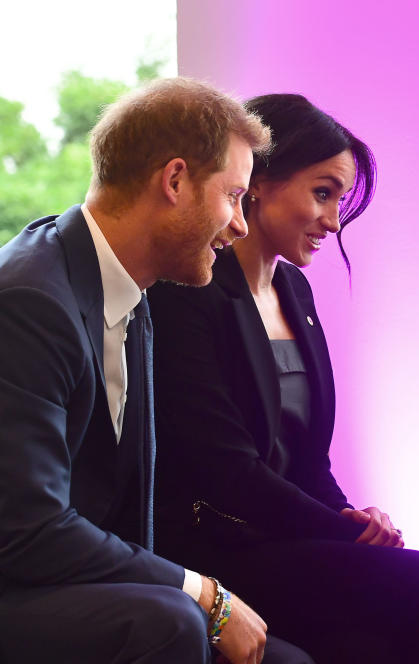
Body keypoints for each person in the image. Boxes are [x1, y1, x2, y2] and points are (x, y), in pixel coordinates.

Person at [0, 77, 316, 663]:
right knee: (170, 620)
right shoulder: (30, 301)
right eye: (232, 197)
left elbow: (124, 516)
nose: (241, 226)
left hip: (71, 587)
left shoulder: (133, 292)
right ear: (174, 181)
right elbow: (28, 530)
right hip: (16, 587)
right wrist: (203, 594)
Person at [149, 93, 419, 663]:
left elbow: (308, 461)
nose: (333, 220)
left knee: (377, 624)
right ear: (258, 181)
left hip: (283, 538)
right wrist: (341, 534)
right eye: (322, 193)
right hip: (213, 549)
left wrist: (354, 521)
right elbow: (227, 471)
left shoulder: (296, 292)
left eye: (339, 200)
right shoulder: (186, 291)